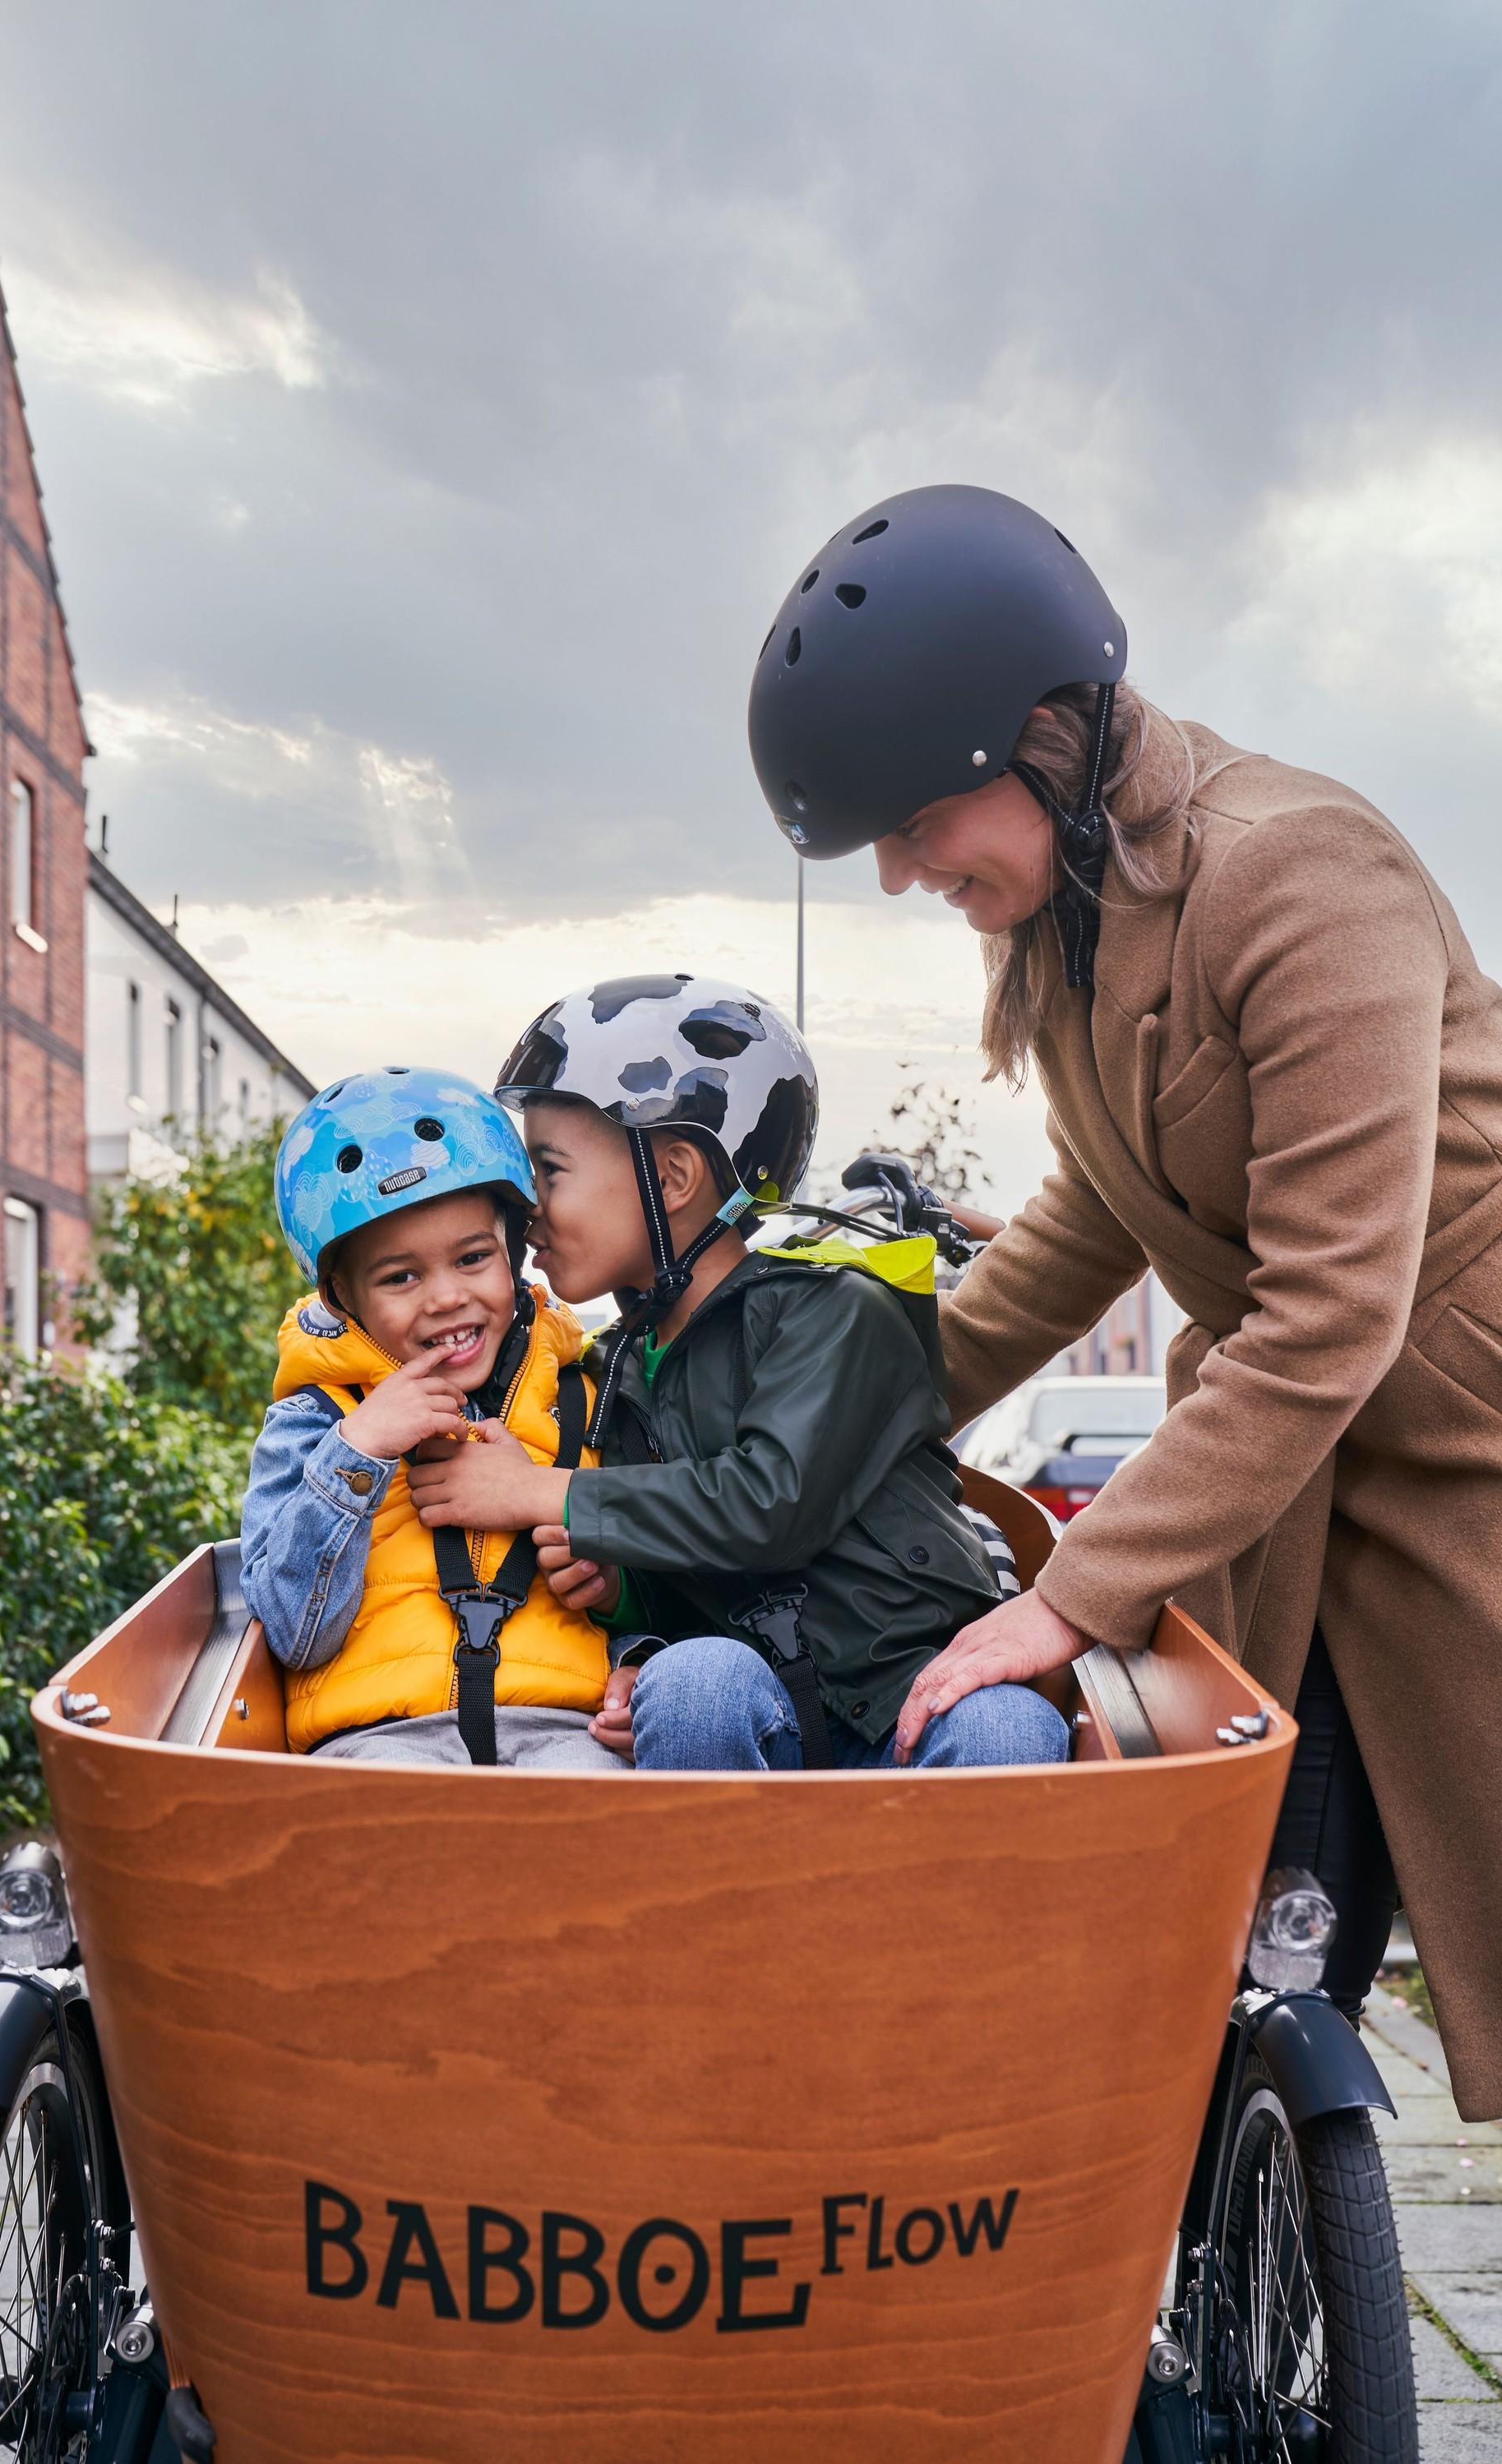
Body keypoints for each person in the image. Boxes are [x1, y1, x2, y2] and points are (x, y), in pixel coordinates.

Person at [746, 480, 1502, 2120]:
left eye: (905, 818)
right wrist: (816, 1435)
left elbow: (1325, 1312)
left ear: (1028, 743)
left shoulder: (1303, 879)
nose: (892, 872)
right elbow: (1099, 1208)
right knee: (1248, 1962)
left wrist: (1065, 1595)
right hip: (1277, 1488)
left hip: (1455, 1452)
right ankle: (1261, 2347)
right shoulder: (1072, 920)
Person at [407, 975, 1070, 1777]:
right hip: (757, 1713)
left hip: (916, 1692)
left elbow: (770, 1505)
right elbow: (673, 1579)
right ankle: (720, 1901)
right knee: (688, 1682)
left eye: (549, 1171)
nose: (526, 1210)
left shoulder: (833, 1308)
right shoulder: (608, 1367)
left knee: (1010, 1730)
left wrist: (534, 1492)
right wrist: (619, 1594)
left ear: (674, 1177)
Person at [238, 1066, 625, 1772]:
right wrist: (358, 1449)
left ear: (513, 1253)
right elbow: (294, 1634)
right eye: (400, 1277)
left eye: (473, 1258)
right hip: (377, 1745)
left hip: (565, 1736)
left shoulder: (587, 1401)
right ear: (341, 1295)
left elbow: (655, 1598)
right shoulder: (313, 1422)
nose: (447, 1297)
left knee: (605, 1847)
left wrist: (614, 1592)